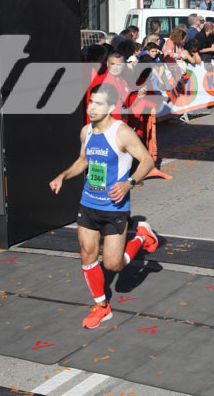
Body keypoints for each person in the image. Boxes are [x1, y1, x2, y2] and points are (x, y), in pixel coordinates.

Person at [48, 83, 158, 329]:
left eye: (98, 103)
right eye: (91, 102)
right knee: (87, 255)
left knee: (113, 265)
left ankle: (141, 236)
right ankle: (102, 306)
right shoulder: (86, 131)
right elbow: (82, 161)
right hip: (88, 203)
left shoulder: (122, 133)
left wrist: (129, 183)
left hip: (114, 207)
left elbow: (147, 161)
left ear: (110, 107)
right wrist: (63, 176)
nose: (92, 108)